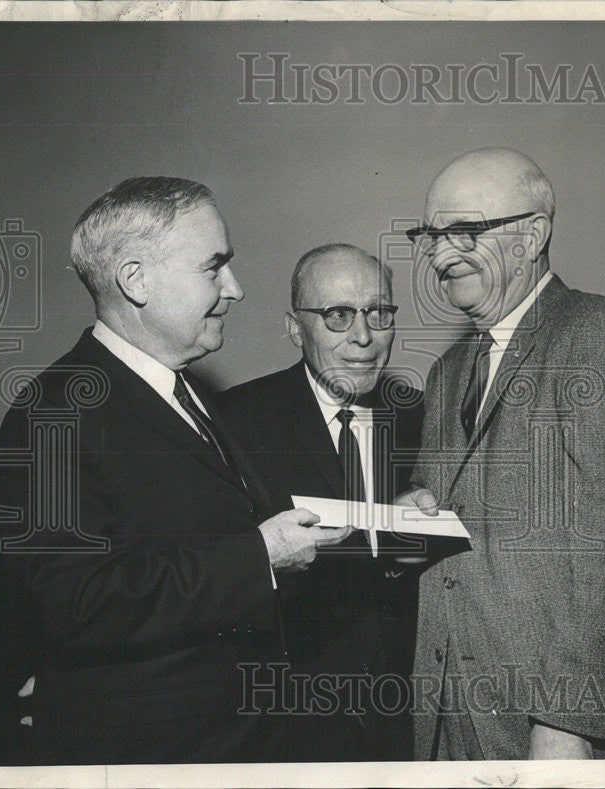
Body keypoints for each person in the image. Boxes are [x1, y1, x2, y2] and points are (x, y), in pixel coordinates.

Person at [0, 177, 350, 764]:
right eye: (213, 268)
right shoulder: (55, 409)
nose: (235, 288)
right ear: (136, 281)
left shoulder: (185, 392)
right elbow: (70, 603)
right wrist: (258, 556)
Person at [398, 148, 605, 760]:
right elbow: (441, 507)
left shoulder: (598, 333)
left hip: (548, 723)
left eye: (462, 232)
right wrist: (410, 509)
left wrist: (569, 722)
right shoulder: (448, 369)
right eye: (430, 236)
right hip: (445, 713)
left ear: (532, 234)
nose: (438, 256)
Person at [218, 243, 424, 761]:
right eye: (337, 315)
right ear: (295, 329)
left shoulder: (425, 420)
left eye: (379, 313)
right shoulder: (234, 422)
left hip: (414, 713)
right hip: (286, 720)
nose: (363, 336)